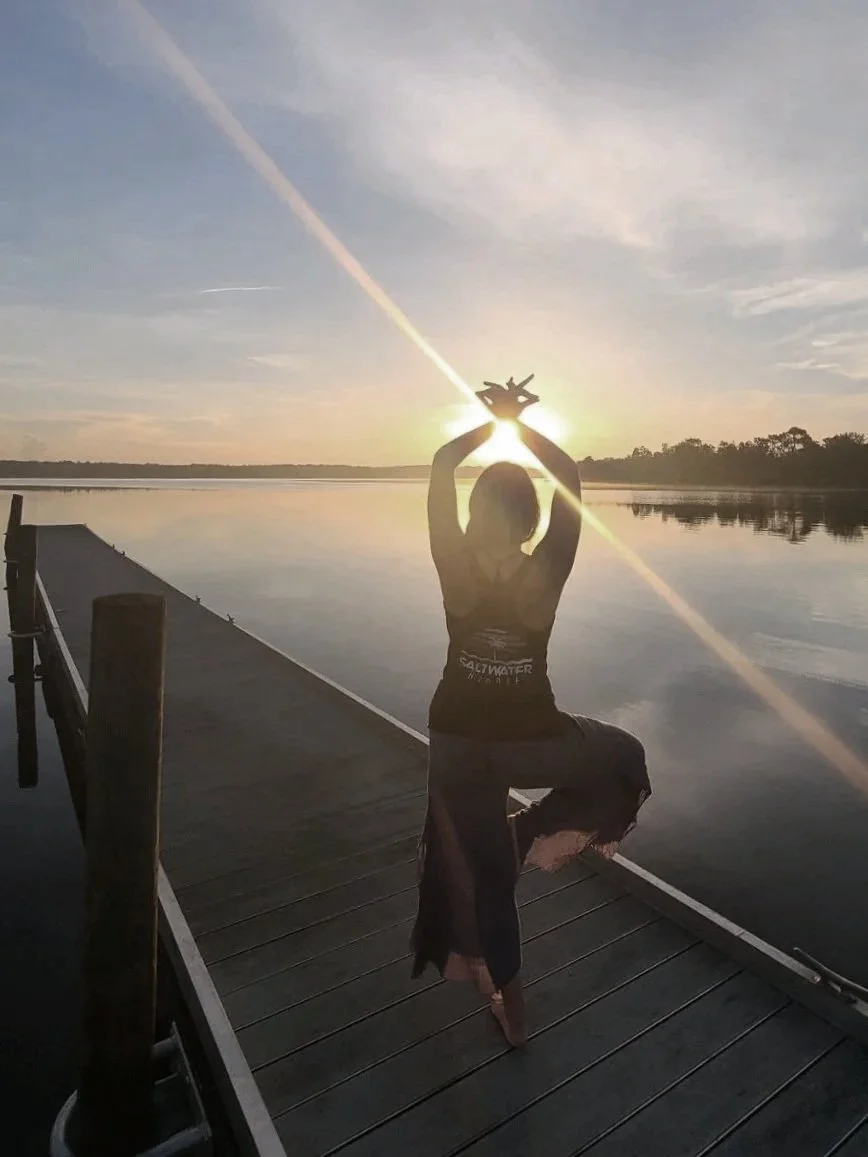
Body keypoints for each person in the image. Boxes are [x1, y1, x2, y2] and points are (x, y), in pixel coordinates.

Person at [411, 375, 651, 1048]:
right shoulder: (546, 569)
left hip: (456, 740)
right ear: (533, 519)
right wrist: (521, 422)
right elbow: (568, 472)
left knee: (489, 884)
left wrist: (492, 422)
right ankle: (533, 830)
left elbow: (440, 465)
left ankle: (513, 1018)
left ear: (475, 512)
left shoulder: (453, 563)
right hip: (530, 741)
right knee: (623, 753)